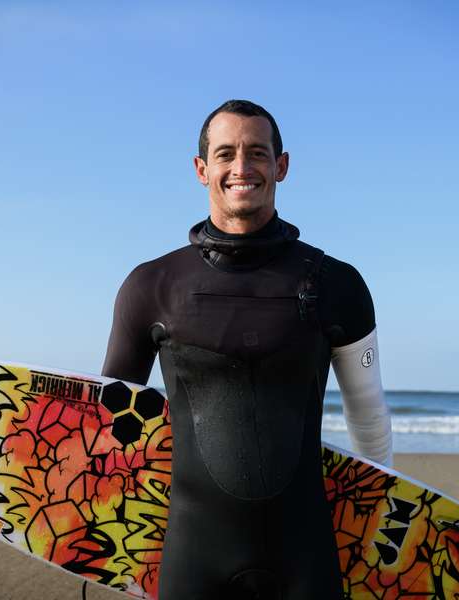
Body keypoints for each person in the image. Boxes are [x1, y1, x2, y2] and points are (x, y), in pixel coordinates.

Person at [102, 99, 391, 600]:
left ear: (281, 165)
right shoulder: (151, 286)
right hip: (191, 557)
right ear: (201, 169)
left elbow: (367, 416)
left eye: (257, 153)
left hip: (306, 559)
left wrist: (381, 515)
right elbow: (112, 426)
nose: (241, 167)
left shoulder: (338, 285)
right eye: (225, 154)